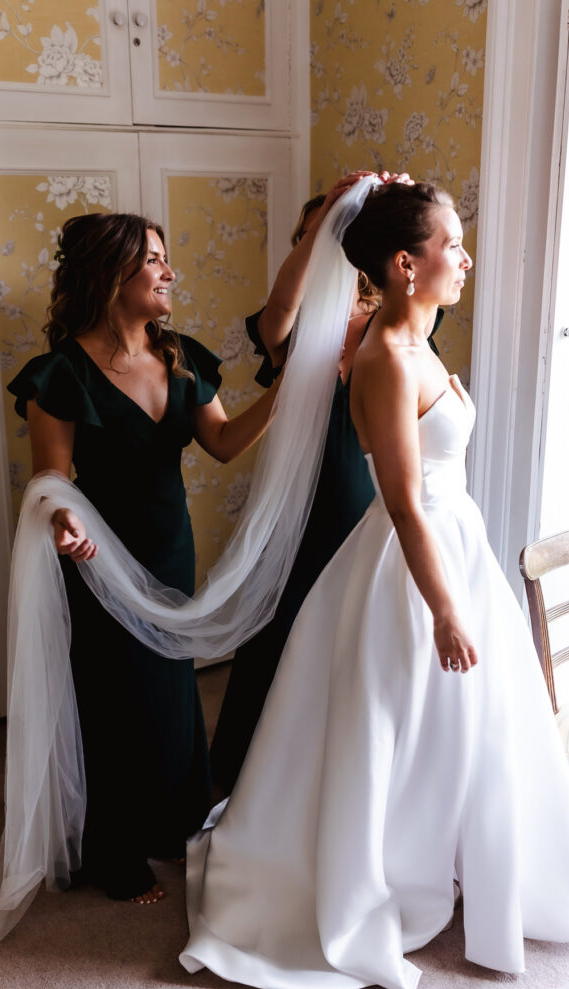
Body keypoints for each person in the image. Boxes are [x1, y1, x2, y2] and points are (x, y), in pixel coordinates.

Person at [180, 181, 569, 989]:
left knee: (463, 722)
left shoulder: (413, 331)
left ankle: (453, 856)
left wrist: (394, 197)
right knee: (395, 717)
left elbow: (395, 266)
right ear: (407, 266)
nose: (466, 256)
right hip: (415, 560)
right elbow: (403, 501)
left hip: (457, 544)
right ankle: (378, 871)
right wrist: (444, 609)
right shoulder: (380, 358)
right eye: (452, 242)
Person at [6, 212, 282, 907]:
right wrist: (67, 523)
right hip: (98, 556)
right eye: (153, 260)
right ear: (110, 273)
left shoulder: (182, 355)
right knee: (110, 697)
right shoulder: (60, 373)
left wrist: (290, 392)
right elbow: (50, 478)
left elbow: (222, 442)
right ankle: (111, 847)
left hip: (169, 549)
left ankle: (170, 821)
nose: (169, 271)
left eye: (165, 257)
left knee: (166, 686)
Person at [210, 172, 444, 793]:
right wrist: (324, 221)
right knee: (280, 639)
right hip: (306, 506)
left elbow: (425, 251)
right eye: (316, 234)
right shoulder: (297, 328)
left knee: (355, 646)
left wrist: (402, 193)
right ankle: (249, 785)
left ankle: (345, 788)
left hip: (370, 500)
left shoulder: (393, 324)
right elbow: (277, 313)